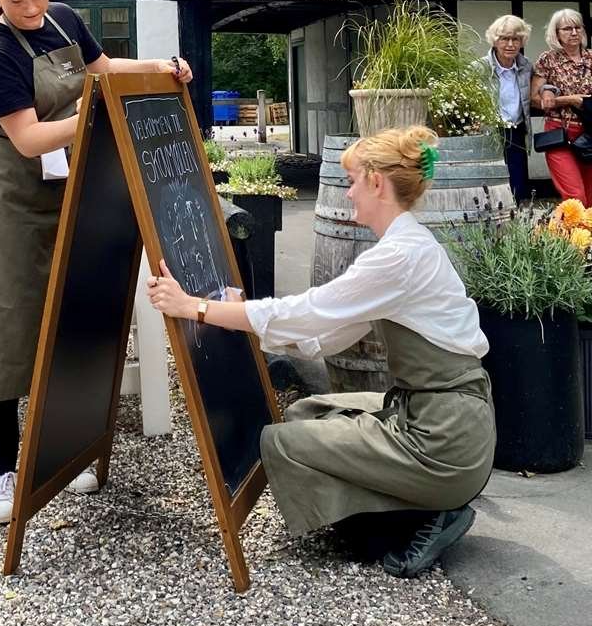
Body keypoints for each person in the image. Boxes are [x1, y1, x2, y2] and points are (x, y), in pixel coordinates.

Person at [146, 126, 496, 578]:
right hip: (445, 422)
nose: (348, 192)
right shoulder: (407, 247)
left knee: (281, 443)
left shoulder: (398, 258)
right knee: (305, 414)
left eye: (352, 181)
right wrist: (244, 317)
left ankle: (425, 516)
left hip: (443, 442)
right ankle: (423, 503)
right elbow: (327, 335)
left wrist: (196, 307)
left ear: (376, 181)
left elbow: (309, 311)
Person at [0, 0, 192, 525]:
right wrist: (94, 111)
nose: (32, 9)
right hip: (6, 204)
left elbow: (105, 70)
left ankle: (63, 451)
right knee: (4, 332)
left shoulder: (63, 21)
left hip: (67, 193)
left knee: (68, 319)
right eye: (18, 1)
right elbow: (31, 138)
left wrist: (162, 67)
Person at [531, 8, 592, 204]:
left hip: (590, 134)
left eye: (577, 27)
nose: (574, 32)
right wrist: (570, 100)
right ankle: (572, 234)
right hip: (559, 135)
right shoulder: (547, 59)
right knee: (576, 196)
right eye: (567, 28)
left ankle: (580, 235)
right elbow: (534, 100)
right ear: (556, 33)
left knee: (590, 198)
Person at [477, 15, 533, 204]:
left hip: (516, 132)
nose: (510, 44)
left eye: (515, 39)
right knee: (491, 184)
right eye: (504, 38)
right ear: (495, 40)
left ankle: (516, 226)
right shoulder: (480, 67)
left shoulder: (526, 66)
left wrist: (550, 90)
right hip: (490, 132)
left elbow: (542, 83)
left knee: (517, 187)